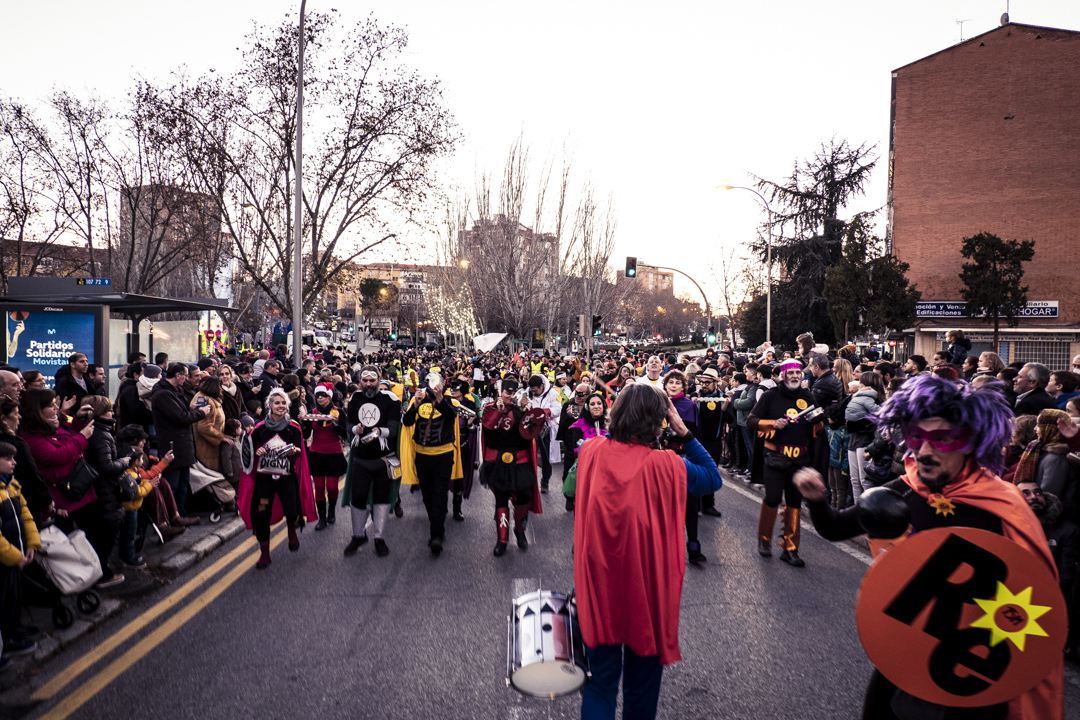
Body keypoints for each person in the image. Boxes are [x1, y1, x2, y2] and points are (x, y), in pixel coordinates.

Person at [794, 375, 1063, 720]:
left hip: (976, 671)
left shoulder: (1004, 506)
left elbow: (1038, 606)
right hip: (907, 659)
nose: (924, 451)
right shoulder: (904, 490)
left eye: (943, 440)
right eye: (915, 437)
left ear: (971, 443)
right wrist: (817, 499)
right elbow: (834, 529)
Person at [573, 383, 722, 720]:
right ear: (659, 421)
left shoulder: (591, 451)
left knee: (600, 686)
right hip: (648, 591)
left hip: (599, 587)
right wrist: (684, 432)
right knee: (641, 690)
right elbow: (713, 477)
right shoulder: (668, 465)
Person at [747, 359, 825, 567]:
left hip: (799, 460)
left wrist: (817, 422)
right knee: (772, 498)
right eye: (790, 373)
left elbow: (819, 429)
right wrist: (772, 423)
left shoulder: (808, 397)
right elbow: (751, 421)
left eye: (798, 373)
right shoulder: (770, 396)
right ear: (783, 375)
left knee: (794, 503)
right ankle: (764, 539)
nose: (795, 376)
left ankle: (790, 548)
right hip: (774, 458)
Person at [238, 389, 317, 568]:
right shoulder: (260, 428)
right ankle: (264, 554)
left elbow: (299, 451)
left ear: (287, 406)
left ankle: (292, 531)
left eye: (283, 403)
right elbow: (248, 451)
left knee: (292, 512)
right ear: (270, 406)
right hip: (264, 481)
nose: (280, 406)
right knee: (262, 515)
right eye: (277, 403)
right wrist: (256, 451)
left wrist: (294, 451)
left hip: (286, 479)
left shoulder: (293, 427)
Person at [479, 378, 543, 556]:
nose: (511, 396)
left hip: (520, 460)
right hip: (497, 461)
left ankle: (520, 531)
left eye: (514, 392)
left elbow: (532, 432)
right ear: (500, 392)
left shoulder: (521, 410)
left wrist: (527, 413)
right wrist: (499, 412)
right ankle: (502, 540)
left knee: (523, 497)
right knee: (501, 499)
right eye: (508, 392)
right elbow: (488, 428)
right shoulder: (489, 408)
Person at [400, 372, 462, 555]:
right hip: (422, 456)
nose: (434, 386)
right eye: (431, 382)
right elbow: (407, 422)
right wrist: (415, 406)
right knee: (427, 496)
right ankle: (437, 523)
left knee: (439, 493)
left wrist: (440, 398)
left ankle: (436, 535)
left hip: (443, 455)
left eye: (438, 382)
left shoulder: (449, 401)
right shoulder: (417, 400)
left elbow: (451, 417)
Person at [342, 366, 401, 558]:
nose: (368, 384)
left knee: (381, 497)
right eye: (365, 380)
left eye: (372, 380)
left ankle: (379, 538)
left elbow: (394, 427)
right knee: (358, 497)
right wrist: (355, 430)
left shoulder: (390, 399)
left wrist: (380, 431)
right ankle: (358, 535)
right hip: (361, 457)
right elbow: (349, 424)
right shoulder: (355, 398)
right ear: (360, 381)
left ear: (379, 380)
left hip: (383, 458)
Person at [79, 396, 132, 587]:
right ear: (100, 413)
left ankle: (101, 571)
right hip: (103, 492)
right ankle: (102, 575)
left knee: (99, 536)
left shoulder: (98, 431)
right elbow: (106, 467)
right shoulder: (100, 434)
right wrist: (124, 462)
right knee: (103, 537)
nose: (112, 412)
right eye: (109, 410)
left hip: (98, 491)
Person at [151, 364, 211, 518]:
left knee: (183, 483)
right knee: (173, 485)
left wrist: (191, 409)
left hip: (182, 444)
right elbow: (180, 418)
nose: (186, 378)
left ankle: (181, 514)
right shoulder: (163, 394)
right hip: (173, 444)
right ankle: (171, 516)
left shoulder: (174, 391)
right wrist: (200, 413)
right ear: (178, 375)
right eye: (185, 375)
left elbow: (180, 413)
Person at [0, 441, 41, 664]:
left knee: (12, 599)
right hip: (6, 559)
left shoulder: (12, 485)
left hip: (16, 555)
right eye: (8, 459)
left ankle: (9, 638)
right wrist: (15, 557)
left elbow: (26, 515)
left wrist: (32, 543)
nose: (14, 462)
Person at [303, 384, 346, 531]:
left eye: (323, 395)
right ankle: (322, 517)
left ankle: (331, 511)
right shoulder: (312, 412)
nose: (320, 398)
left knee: (332, 487)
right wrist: (304, 424)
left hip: (334, 452)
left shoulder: (338, 412)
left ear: (329, 397)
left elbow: (345, 433)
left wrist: (336, 425)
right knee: (319, 487)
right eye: (318, 396)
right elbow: (305, 435)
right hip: (317, 452)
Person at [562, 392, 608, 512]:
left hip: (606, 470)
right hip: (587, 469)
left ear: (603, 406)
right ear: (587, 407)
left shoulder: (610, 424)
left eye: (599, 403)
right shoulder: (580, 425)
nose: (596, 406)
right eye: (592, 404)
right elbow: (576, 449)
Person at [845, 371, 886, 505]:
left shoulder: (876, 401)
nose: (859, 385)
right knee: (854, 480)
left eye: (861, 383)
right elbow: (839, 413)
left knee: (865, 480)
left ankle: (868, 510)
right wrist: (853, 396)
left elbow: (877, 421)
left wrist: (853, 424)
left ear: (868, 385)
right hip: (854, 439)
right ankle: (857, 511)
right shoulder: (857, 397)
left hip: (865, 441)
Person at [526, 375, 561, 494]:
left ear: (542, 386)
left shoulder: (553, 394)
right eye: (532, 391)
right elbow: (521, 404)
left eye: (535, 391)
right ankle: (530, 482)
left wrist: (545, 412)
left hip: (546, 430)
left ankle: (545, 481)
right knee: (529, 456)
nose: (533, 393)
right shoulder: (528, 392)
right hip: (531, 429)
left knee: (545, 458)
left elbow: (558, 409)